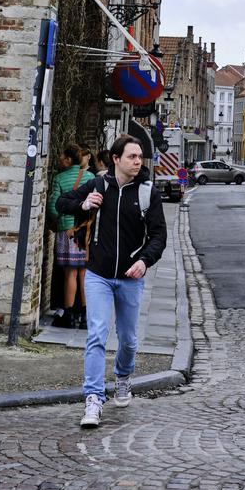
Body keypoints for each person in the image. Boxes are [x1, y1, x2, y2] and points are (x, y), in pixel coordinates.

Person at [57, 134, 167, 429]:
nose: (137, 161)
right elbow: (61, 203)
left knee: (129, 341)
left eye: (140, 156)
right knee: (96, 334)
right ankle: (93, 398)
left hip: (131, 277)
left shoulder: (147, 192)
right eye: (131, 156)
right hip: (99, 275)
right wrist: (83, 205)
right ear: (116, 160)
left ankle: (122, 377)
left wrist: (144, 262)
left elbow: (158, 236)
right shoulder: (98, 184)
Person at [47, 144, 95, 328]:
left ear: (68, 159)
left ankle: (68, 316)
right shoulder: (90, 177)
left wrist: (60, 220)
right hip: (86, 231)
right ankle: (84, 317)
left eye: (62, 156)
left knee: (70, 274)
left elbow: (53, 206)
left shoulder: (59, 178)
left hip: (67, 231)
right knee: (84, 274)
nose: (60, 159)